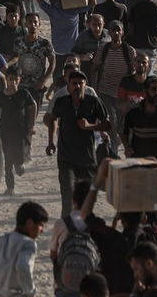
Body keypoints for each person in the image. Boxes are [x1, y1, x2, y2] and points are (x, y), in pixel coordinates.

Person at [45, 69, 110, 216]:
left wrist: (91, 127)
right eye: (74, 83)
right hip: (65, 156)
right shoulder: (62, 102)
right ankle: (67, 227)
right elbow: (52, 118)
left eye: (81, 83)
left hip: (87, 158)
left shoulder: (93, 101)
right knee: (67, 194)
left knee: (85, 199)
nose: (77, 87)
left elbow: (108, 125)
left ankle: (82, 227)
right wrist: (50, 142)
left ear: (85, 85)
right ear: (68, 85)